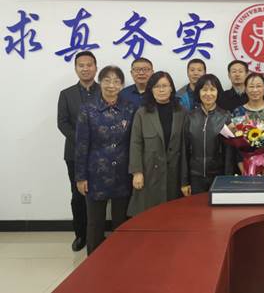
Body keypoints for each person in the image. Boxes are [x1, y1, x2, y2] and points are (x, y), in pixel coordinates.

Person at [75, 66, 136, 255]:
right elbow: (81, 145)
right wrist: (81, 177)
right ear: (100, 82)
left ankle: (120, 258)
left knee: (121, 221)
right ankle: (94, 260)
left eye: (116, 81)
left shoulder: (130, 108)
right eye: (107, 80)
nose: (111, 85)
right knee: (95, 222)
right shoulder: (88, 109)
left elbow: (134, 142)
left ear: (122, 85)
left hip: (123, 173)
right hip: (96, 173)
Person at [127, 71, 187, 217]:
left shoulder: (181, 112)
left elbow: (185, 146)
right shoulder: (142, 113)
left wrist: (185, 179)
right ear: (151, 90)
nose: (161, 90)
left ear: (171, 88)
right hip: (149, 172)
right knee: (149, 215)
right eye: (157, 86)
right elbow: (135, 143)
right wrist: (137, 172)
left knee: (173, 215)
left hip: (174, 172)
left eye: (165, 86)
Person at [57, 50, 99, 252]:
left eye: (89, 65)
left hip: (101, 154)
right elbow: (62, 123)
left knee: (99, 194)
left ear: (96, 68)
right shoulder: (66, 94)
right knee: (78, 194)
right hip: (74, 154)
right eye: (81, 65)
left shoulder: (105, 91)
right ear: (76, 69)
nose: (85, 68)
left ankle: (97, 232)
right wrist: (83, 141)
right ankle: (81, 234)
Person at [181, 74, 234, 195]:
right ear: (198, 92)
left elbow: (229, 153)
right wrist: (184, 181)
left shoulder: (225, 116)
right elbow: (184, 150)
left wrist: (228, 180)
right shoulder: (190, 117)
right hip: (195, 177)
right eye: (204, 90)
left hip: (218, 176)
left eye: (212, 90)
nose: (208, 94)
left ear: (218, 92)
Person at [232, 73, 264, 175]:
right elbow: (236, 145)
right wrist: (243, 169)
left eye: (258, 86)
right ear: (246, 89)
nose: (255, 90)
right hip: (245, 166)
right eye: (251, 86)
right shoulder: (238, 111)